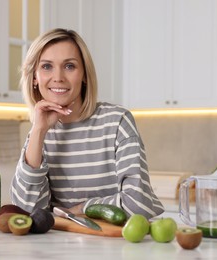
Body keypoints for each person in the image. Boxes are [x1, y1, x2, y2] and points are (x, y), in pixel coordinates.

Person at [10, 28, 164, 219]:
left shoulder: (117, 122)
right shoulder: (39, 134)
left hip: (117, 245)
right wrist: (39, 130)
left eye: (69, 66)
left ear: (84, 75)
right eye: (47, 66)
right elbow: (27, 212)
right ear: (34, 78)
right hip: (58, 246)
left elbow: (139, 203)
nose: (58, 77)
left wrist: (81, 209)